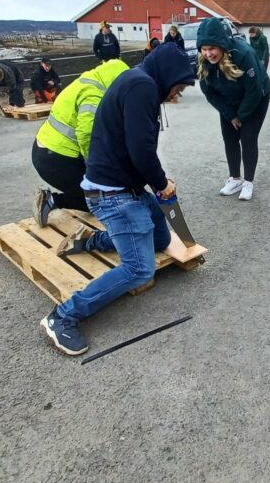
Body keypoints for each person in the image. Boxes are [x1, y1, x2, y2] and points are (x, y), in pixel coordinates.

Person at [39, 43, 196, 356]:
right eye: (177, 87)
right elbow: (141, 150)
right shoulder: (142, 87)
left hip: (126, 188)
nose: (175, 95)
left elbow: (136, 148)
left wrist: (158, 182)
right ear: (168, 76)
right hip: (115, 196)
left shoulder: (139, 81)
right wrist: (162, 184)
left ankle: (92, 241)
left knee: (162, 237)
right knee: (140, 270)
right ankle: (63, 317)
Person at [32, 58, 129, 224]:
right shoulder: (94, 95)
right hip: (56, 159)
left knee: (103, 193)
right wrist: (99, 173)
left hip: (45, 149)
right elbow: (87, 136)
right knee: (104, 199)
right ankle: (52, 201)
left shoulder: (87, 80)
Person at [196, 17, 270, 202]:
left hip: (255, 98)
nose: (208, 54)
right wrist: (231, 115)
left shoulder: (243, 54)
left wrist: (241, 115)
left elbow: (253, 91)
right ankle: (235, 178)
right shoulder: (204, 63)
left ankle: (248, 182)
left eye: (212, 48)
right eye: (204, 49)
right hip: (228, 101)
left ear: (222, 45)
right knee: (229, 138)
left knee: (247, 138)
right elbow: (209, 93)